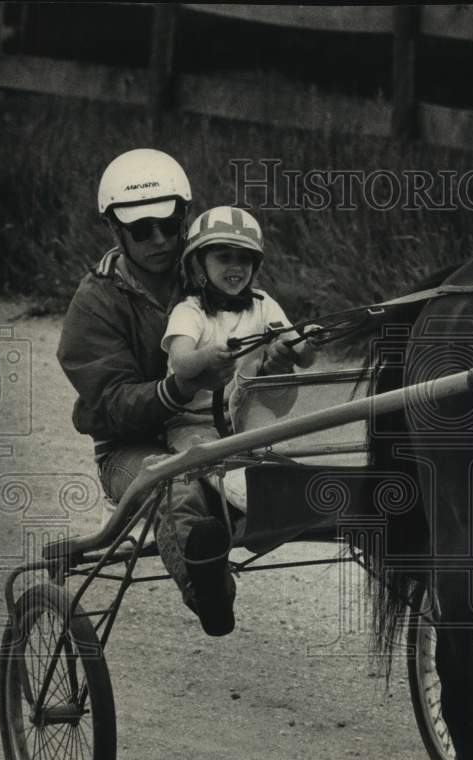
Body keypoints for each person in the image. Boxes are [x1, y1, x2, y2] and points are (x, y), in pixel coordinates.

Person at [57, 148, 301, 637]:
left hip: (220, 433)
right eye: (142, 230)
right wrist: (178, 385)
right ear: (115, 229)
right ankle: (209, 588)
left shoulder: (213, 269)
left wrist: (274, 365)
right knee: (175, 486)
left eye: (170, 225)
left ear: (185, 218)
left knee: (299, 478)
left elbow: (265, 378)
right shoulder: (95, 303)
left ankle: (221, 531)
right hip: (131, 446)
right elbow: (111, 406)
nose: (160, 240)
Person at [162, 205, 316, 514]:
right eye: (223, 257)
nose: (236, 266)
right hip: (193, 421)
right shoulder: (190, 311)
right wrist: (206, 356)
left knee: (273, 455)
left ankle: (283, 499)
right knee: (212, 459)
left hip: (245, 416)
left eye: (244, 258)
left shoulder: (262, 304)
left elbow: (302, 356)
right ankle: (253, 505)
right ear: (198, 265)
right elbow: (180, 362)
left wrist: (308, 340)